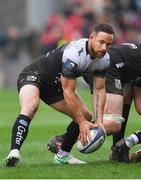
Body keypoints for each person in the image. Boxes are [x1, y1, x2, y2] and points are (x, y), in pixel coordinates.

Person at [5, 23, 115, 167]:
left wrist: (99, 121)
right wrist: (81, 122)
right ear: (92, 37)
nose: (104, 48)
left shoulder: (104, 60)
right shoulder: (75, 53)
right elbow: (68, 91)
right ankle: (14, 152)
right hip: (34, 75)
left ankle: (62, 155)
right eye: (101, 42)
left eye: (108, 44)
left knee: (86, 116)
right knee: (30, 107)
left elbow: (99, 89)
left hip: (55, 86)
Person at [47, 43, 141, 160]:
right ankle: (64, 140)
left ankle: (117, 151)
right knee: (114, 123)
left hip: (98, 64)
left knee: (126, 98)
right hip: (108, 66)